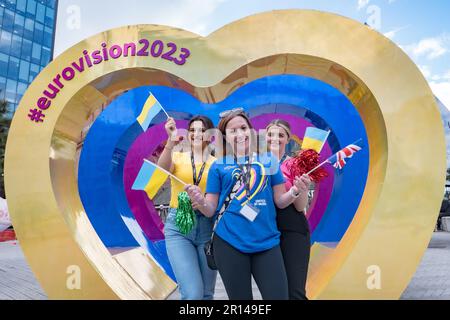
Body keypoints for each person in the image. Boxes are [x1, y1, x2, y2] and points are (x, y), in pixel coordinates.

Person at [185, 109, 306, 300]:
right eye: (233, 131)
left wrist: (295, 191)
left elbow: (281, 202)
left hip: (267, 242)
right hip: (229, 242)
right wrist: (200, 201)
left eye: (243, 128)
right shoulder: (218, 166)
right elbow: (210, 210)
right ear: (225, 137)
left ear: (251, 130)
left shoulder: (269, 161)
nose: (240, 134)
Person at [158, 115, 217, 300]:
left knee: (207, 294)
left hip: (207, 226)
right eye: (192, 130)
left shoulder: (217, 164)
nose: (197, 134)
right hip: (179, 226)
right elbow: (162, 168)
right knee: (192, 294)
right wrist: (170, 140)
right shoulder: (177, 156)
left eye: (202, 130)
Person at [266, 119, 312, 300]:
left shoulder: (295, 164)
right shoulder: (257, 163)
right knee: (275, 293)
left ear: (287, 139)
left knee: (295, 292)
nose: (275, 138)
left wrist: (302, 188)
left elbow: (300, 206)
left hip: (293, 230)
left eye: (280, 135)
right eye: (270, 134)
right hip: (267, 231)